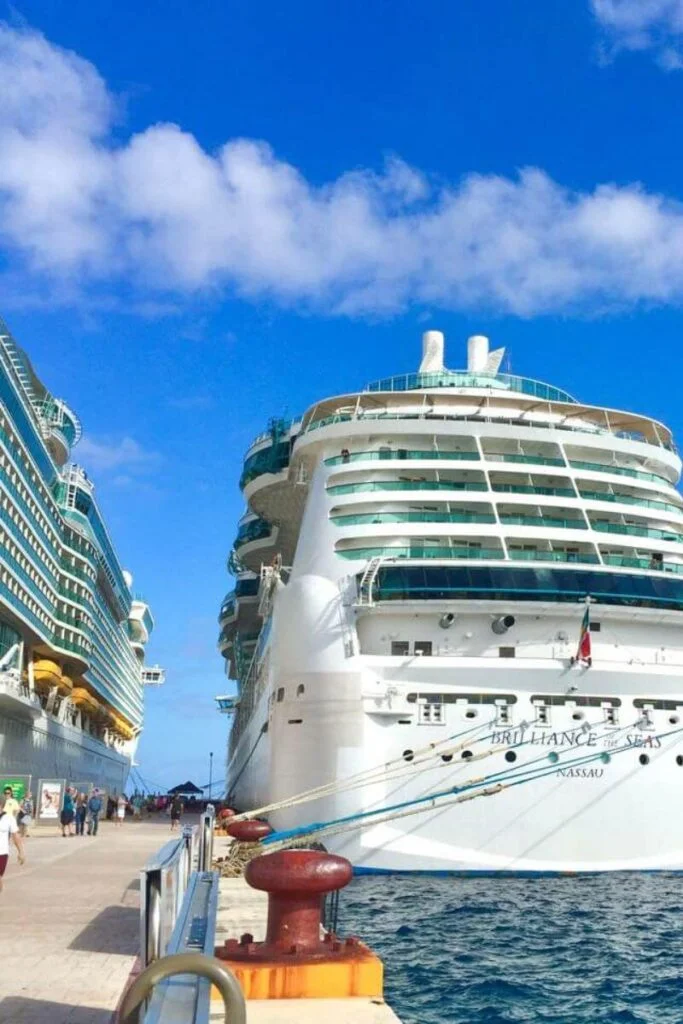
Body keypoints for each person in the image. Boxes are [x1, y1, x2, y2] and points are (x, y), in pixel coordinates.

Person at [0, 796, 25, 892]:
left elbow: (16, 836)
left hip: (2, 853)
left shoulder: (8, 818)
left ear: (1, 806)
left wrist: (21, 852)